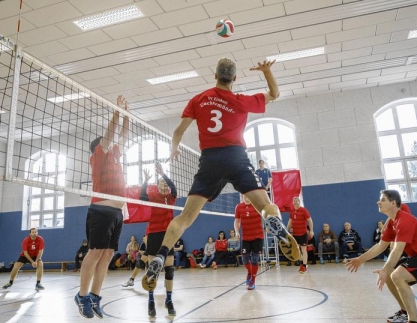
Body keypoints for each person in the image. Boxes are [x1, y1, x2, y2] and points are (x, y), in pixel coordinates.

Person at [145, 58, 301, 285]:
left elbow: (178, 130)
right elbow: (274, 93)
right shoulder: (240, 100)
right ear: (234, 78)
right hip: (237, 157)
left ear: (215, 76)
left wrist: (175, 149)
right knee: (266, 205)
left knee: (185, 218)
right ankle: (273, 222)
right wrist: (266, 71)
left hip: (209, 161)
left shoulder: (199, 99)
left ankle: (161, 254)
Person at [346, 190, 417, 323]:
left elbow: (398, 250)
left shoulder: (404, 219)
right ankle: (404, 312)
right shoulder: (392, 223)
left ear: (393, 203)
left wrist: (385, 269)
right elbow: (381, 246)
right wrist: (360, 259)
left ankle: (413, 320)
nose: (378, 202)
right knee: (389, 274)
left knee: (396, 275)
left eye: (382, 200)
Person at [74, 95, 130, 319]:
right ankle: (82, 295)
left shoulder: (115, 157)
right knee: (95, 252)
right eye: (106, 145)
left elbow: (123, 137)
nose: (111, 146)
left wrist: (127, 115)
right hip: (100, 210)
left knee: (107, 254)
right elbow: (110, 135)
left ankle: (95, 296)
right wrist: (116, 112)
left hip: (117, 213)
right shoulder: (98, 156)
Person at [138, 163, 178, 317]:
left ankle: (169, 300)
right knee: (152, 271)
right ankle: (150, 301)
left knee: (169, 269)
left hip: (168, 236)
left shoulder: (171, 198)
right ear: (157, 186)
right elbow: (142, 197)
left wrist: (163, 174)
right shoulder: (153, 195)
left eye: (165, 183)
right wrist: (145, 181)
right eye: (161, 182)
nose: (164, 184)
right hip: (154, 235)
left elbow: (174, 188)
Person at [234, 195, 264, 290]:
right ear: (242, 196)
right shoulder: (239, 207)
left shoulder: (256, 205)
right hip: (246, 237)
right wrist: (237, 231)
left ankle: (253, 281)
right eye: (244, 195)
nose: (246, 196)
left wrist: (267, 226)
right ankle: (250, 272)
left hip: (258, 236)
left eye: (248, 195)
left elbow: (266, 215)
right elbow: (237, 221)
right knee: (245, 259)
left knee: (255, 259)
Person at [286, 197, 314, 273]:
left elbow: (310, 220)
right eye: (294, 201)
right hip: (295, 234)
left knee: (303, 250)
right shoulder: (292, 211)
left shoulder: (304, 210)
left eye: (297, 201)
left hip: (303, 234)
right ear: (292, 202)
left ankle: (304, 266)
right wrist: (286, 230)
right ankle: (303, 262)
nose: (295, 202)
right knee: (296, 250)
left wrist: (311, 231)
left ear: (299, 202)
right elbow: (290, 221)